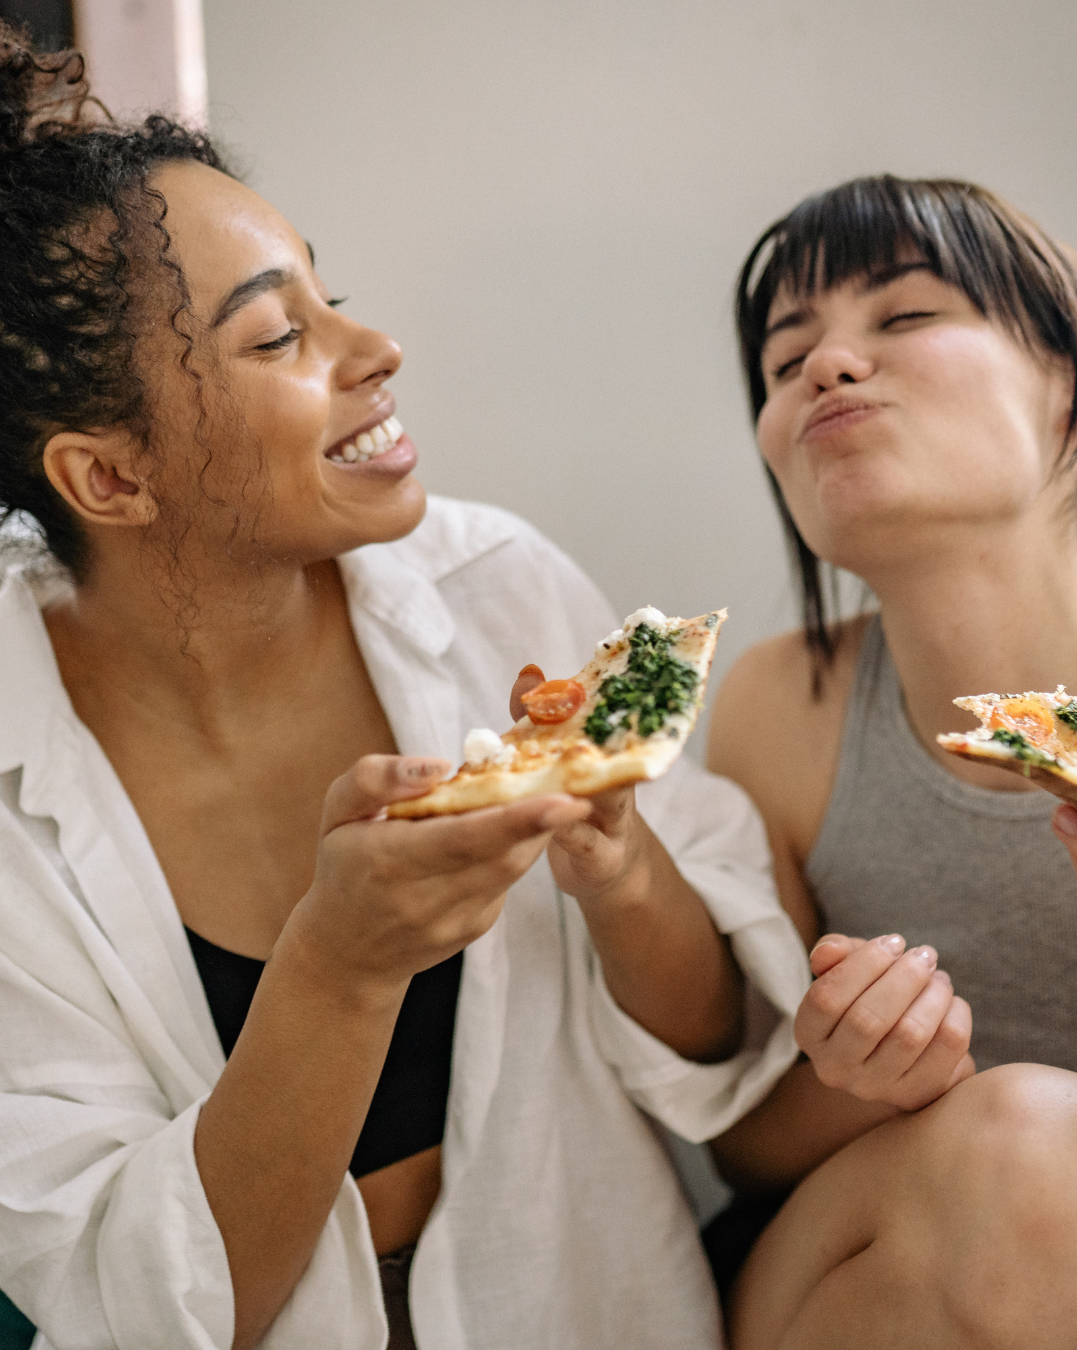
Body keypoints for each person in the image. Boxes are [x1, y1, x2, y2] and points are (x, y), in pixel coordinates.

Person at [0, 26, 823, 1350]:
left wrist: (616, 867)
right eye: (279, 337)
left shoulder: (499, 587)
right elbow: (140, 1308)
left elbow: (721, 1044)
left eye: (328, 294)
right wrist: (338, 970)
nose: (375, 346)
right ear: (109, 478)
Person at [706, 175, 1077, 1347]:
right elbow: (737, 1133)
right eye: (784, 361)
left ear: (1065, 376)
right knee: (1034, 1150)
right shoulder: (781, 706)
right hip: (863, 1250)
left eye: (905, 316)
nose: (826, 366)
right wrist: (871, 1074)